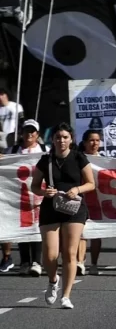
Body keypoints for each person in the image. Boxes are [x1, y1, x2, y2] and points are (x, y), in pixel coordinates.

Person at [31, 123, 95, 309]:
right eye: (58, 137)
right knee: (49, 255)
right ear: (53, 139)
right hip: (51, 207)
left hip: (74, 208)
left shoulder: (78, 157)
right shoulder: (46, 160)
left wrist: (77, 189)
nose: (61, 140)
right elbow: (34, 185)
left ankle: (66, 296)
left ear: (71, 139)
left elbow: (91, 184)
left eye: (65, 137)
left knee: (70, 253)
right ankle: (53, 281)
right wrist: (44, 193)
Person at [7, 118, 46, 277]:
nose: (29, 134)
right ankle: (24, 261)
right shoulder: (13, 150)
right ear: (21, 133)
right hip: (18, 195)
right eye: (26, 131)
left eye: (32, 131)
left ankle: (36, 261)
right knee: (22, 228)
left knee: (37, 227)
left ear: (37, 134)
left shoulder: (45, 149)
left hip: (39, 195)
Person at [78, 130, 104, 276]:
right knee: (81, 233)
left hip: (98, 201)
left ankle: (94, 264)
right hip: (81, 200)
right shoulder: (78, 158)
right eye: (91, 140)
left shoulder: (104, 160)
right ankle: (80, 262)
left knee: (96, 234)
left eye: (97, 140)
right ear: (85, 142)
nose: (95, 143)